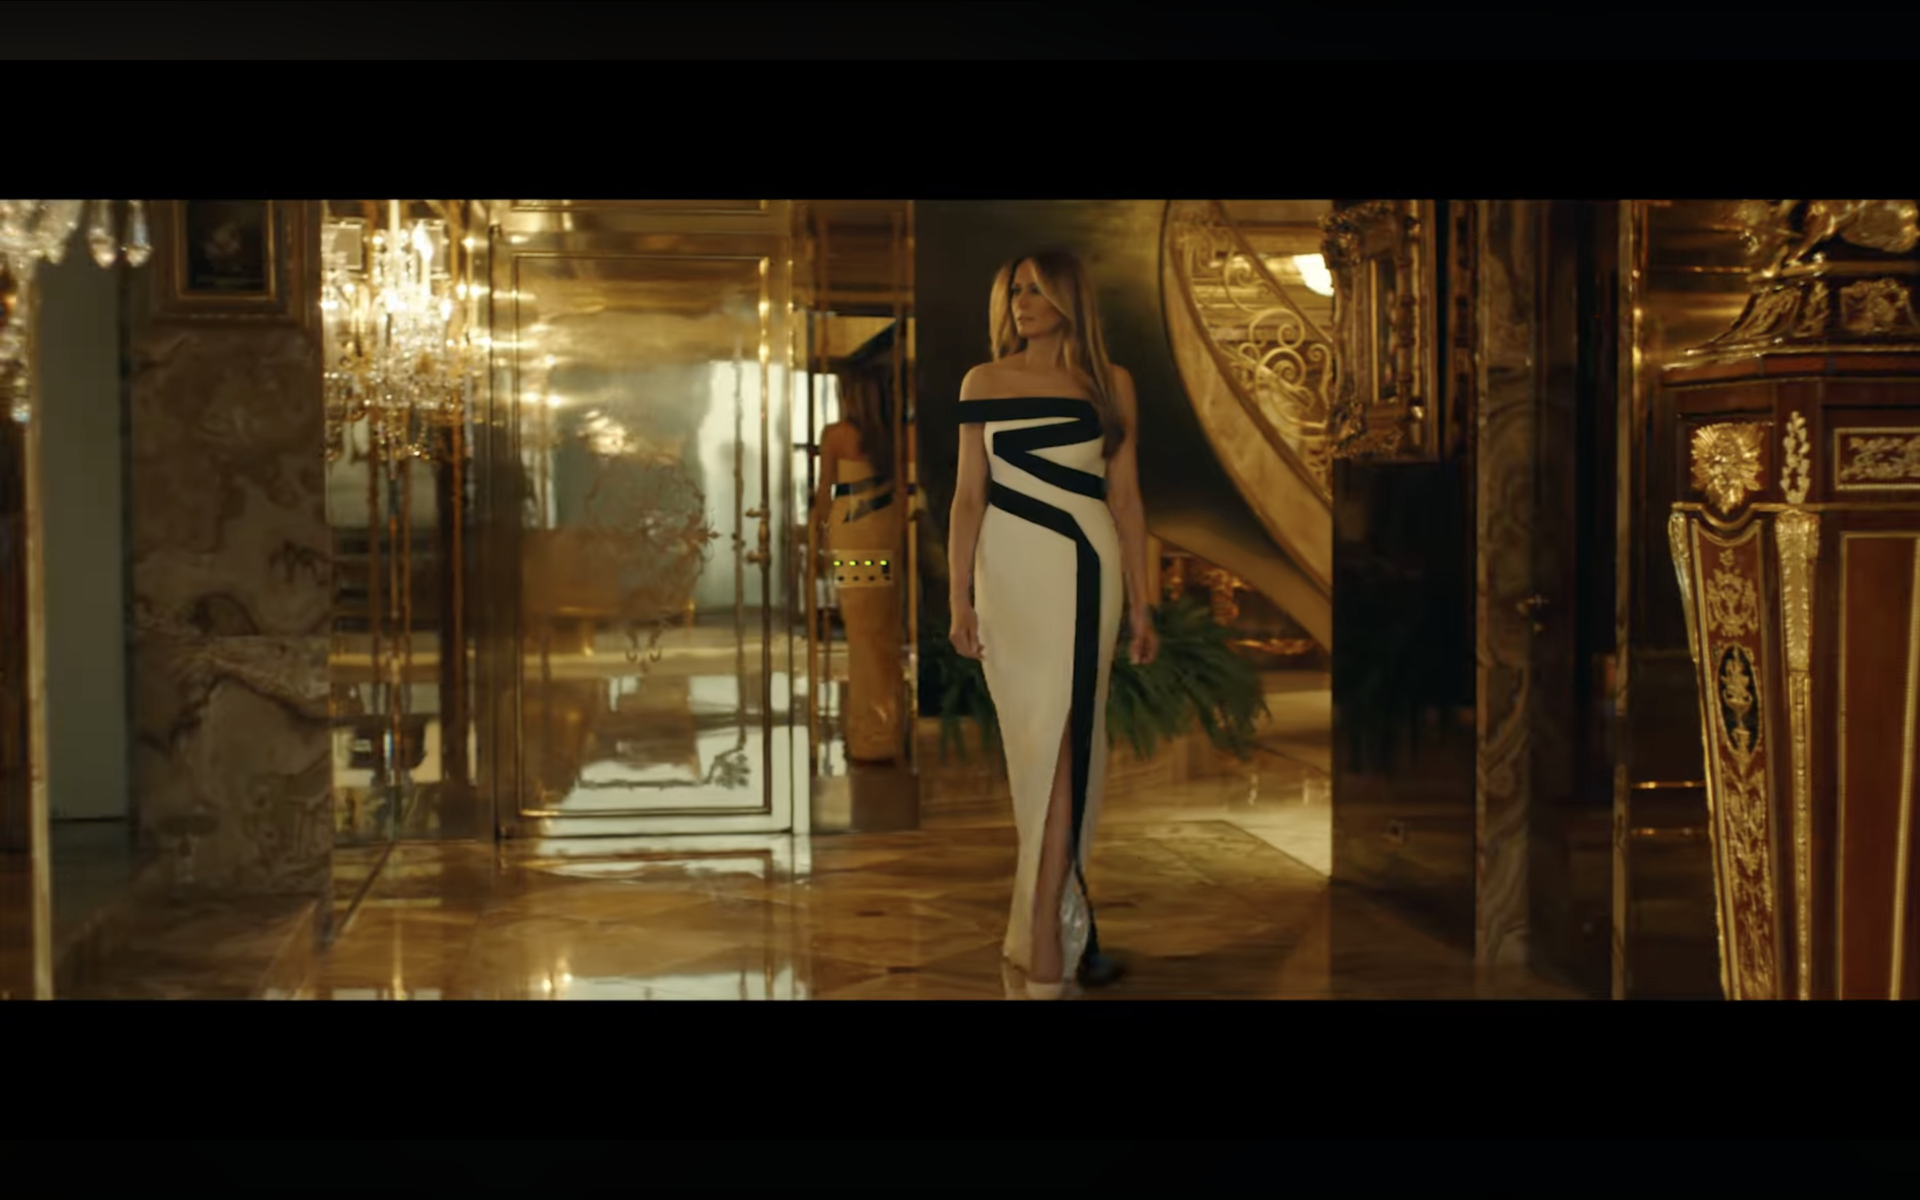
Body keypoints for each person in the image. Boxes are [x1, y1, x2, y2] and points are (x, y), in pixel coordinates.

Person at [947, 249, 1157, 1000]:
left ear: (1070, 298)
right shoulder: (982, 381)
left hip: (1085, 570)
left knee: (1069, 743)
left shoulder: (1111, 385)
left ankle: (1045, 935)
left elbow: (1126, 500)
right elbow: (967, 497)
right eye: (1014, 291)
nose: (1022, 302)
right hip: (1008, 575)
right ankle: (1049, 922)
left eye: (1036, 290)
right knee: (1033, 748)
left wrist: (1143, 602)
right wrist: (959, 599)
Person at [812, 360, 904, 763]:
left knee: (862, 635)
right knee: (884, 633)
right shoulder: (894, 437)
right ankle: (891, 729)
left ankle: (872, 735)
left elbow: (824, 494)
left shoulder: (835, 435)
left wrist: (816, 540)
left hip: (853, 539)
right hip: (885, 536)